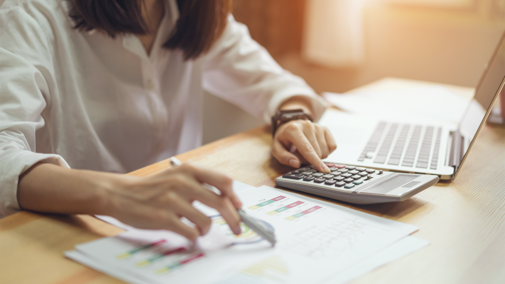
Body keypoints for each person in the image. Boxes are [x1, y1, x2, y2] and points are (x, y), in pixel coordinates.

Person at [0, 0, 336, 240]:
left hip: (178, 232)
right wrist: (119, 193)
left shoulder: (187, 10)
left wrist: (292, 118)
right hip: (63, 236)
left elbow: (274, 84)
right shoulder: (27, 15)